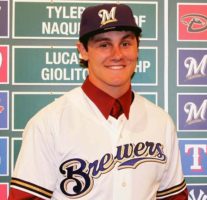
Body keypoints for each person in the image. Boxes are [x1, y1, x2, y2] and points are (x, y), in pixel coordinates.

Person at [9, 3, 188, 200]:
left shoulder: (161, 122)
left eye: (126, 43)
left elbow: (174, 197)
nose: (117, 55)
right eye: (104, 44)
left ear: (137, 48)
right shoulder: (48, 124)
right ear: (83, 51)